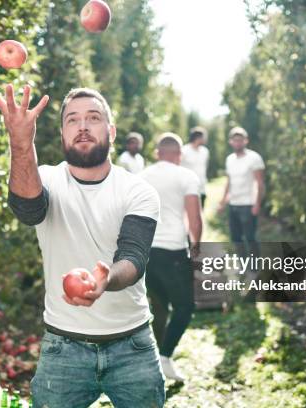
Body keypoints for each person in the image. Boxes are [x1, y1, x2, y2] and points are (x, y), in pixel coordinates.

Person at [0, 85, 164, 408]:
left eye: (93, 118)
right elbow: (27, 211)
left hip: (133, 346)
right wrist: (20, 140)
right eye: (72, 120)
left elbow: (133, 258)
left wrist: (105, 280)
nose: (82, 126)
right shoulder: (47, 180)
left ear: (111, 131)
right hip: (62, 348)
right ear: (62, 134)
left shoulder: (137, 191)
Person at [140, 133, 202, 382]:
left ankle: (153, 360)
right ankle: (164, 357)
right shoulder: (186, 176)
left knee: (159, 307)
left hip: (145, 251)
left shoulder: (141, 176)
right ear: (179, 155)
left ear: (157, 153)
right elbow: (194, 218)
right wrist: (196, 249)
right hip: (173, 250)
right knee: (185, 306)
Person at [217, 127, 265, 263]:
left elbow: (259, 183)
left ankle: (254, 266)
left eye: (240, 140)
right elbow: (229, 182)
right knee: (235, 238)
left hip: (248, 205)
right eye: (235, 140)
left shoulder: (254, 158)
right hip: (233, 205)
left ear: (246, 141)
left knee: (250, 237)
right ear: (230, 142)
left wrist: (257, 203)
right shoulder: (229, 159)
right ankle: (242, 263)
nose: (238, 143)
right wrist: (222, 202)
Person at [181, 126, 210, 208]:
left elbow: (205, 168)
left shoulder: (205, 151)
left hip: (202, 189)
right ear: (198, 137)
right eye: (204, 137)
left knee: (200, 214)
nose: (206, 139)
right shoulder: (184, 150)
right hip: (187, 190)